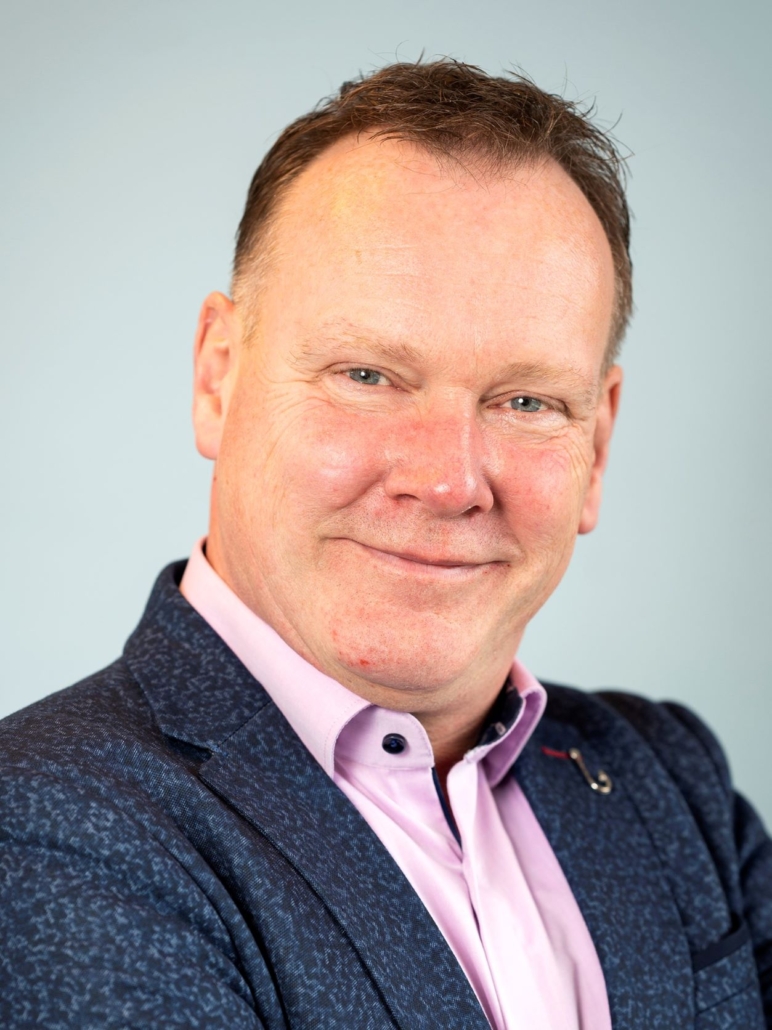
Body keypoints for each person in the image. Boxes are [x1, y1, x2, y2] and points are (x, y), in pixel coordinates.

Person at [0, 59, 769, 1030]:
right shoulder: (47, 825)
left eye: (526, 401)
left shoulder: (671, 784)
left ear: (598, 443)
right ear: (217, 377)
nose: (447, 481)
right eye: (368, 375)